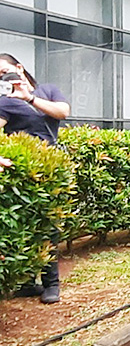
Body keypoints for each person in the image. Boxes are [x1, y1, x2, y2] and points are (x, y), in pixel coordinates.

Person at [0, 53, 71, 304]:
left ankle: (51, 284)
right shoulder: (4, 102)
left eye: (5, 71)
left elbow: (62, 112)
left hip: (51, 170)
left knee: (49, 227)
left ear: (19, 68)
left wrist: (29, 97)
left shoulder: (47, 90)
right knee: (25, 227)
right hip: (22, 171)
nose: (4, 77)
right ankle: (30, 282)